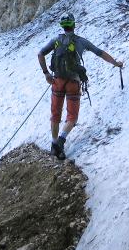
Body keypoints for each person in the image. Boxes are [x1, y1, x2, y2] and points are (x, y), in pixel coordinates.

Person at [37, 12, 123, 159]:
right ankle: (61, 141)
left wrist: (46, 74)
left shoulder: (56, 40)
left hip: (57, 81)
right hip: (73, 82)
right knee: (72, 117)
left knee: (55, 114)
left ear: (62, 26)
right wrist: (116, 63)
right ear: (74, 25)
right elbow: (100, 53)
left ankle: (53, 144)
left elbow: (40, 54)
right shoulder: (81, 42)